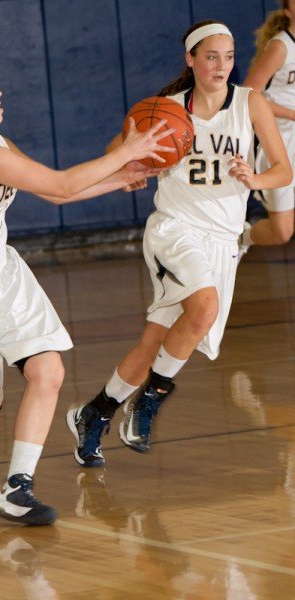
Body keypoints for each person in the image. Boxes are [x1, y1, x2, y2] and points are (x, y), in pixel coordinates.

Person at [0, 57, 174, 525]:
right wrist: (128, 150)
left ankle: (16, 488)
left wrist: (116, 180)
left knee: (49, 371)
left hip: (0, 274)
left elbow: (56, 193)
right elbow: (60, 182)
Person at [66, 20, 292, 467]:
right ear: (191, 59)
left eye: (228, 57)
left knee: (155, 343)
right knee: (203, 308)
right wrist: (126, 172)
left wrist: (256, 178)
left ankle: (94, 413)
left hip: (223, 239)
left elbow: (284, 171)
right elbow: (118, 152)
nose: (222, 66)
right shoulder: (164, 110)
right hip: (176, 229)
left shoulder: (251, 103)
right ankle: (148, 403)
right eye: (211, 56)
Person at [241, 0, 295, 257]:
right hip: (277, 139)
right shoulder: (280, 46)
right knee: (281, 232)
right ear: (287, 12)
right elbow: (249, 94)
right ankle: (241, 238)